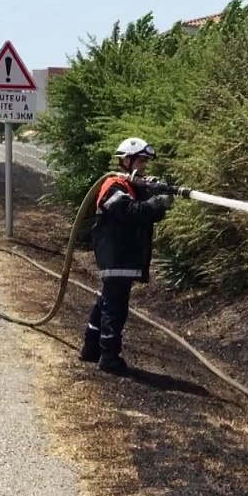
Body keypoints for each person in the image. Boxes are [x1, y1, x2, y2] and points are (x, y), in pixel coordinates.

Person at [79, 137, 176, 375]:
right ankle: (109, 357)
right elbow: (128, 211)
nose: (144, 166)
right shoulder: (113, 185)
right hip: (116, 255)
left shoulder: (131, 186)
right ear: (126, 160)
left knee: (106, 301)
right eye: (140, 161)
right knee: (115, 307)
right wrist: (155, 202)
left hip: (123, 256)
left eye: (145, 162)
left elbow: (148, 213)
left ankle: (91, 349)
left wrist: (159, 197)